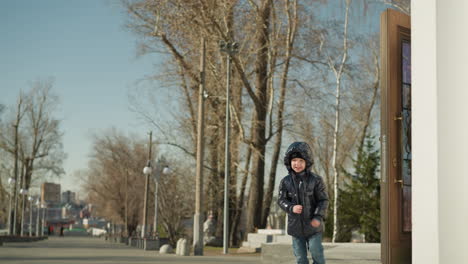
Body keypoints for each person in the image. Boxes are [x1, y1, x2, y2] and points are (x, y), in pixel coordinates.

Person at [277, 142, 329, 264]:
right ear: (289, 162)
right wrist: (291, 207)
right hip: (295, 228)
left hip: (313, 226)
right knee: (300, 257)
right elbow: (281, 200)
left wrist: (318, 216)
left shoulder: (316, 180)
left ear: (307, 162)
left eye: (301, 160)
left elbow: (323, 200)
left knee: (317, 253)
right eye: (294, 160)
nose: (297, 164)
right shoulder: (285, 182)